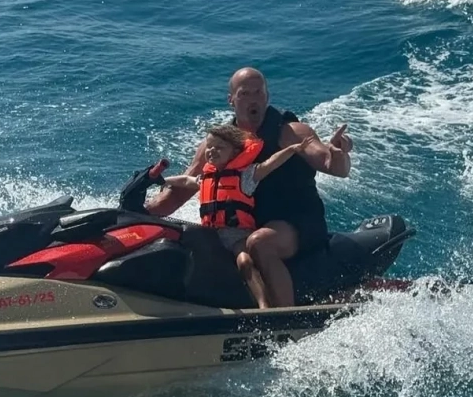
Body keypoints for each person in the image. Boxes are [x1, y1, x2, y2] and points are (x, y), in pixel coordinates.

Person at [146, 67, 353, 307]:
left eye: (259, 92)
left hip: (298, 222)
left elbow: (333, 166)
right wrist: (140, 212)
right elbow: (182, 188)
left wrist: (338, 153)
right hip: (248, 226)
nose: (253, 99)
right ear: (231, 100)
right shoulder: (217, 146)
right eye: (245, 94)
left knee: (259, 243)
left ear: (267, 96)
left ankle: (283, 316)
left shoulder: (290, 133)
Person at [163, 124, 315, 308]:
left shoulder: (245, 176)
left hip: (237, 236)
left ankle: (263, 305)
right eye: (209, 147)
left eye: (219, 147)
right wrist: (161, 180)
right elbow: (186, 180)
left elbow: (270, 164)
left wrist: (292, 149)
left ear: (234, 152)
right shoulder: (206, 178)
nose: (212, 151)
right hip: (211, 236)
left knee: (244, 261)